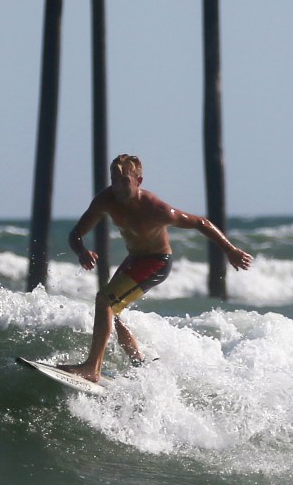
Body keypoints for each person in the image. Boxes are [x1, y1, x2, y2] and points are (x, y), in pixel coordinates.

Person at [59, 154, 253, 382]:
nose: (118, 187)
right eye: (114, 179)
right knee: (112, 311)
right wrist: (81, 251)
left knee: (105, 301)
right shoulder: (106, 200)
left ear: (138, 181)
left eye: (125, 181)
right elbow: (75, 234)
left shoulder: (156, 209)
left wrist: (230, 250)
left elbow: (201, 223)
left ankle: (92, 368)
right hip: (135, 259)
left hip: (157, 261)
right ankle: (139, 363)